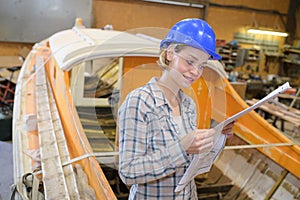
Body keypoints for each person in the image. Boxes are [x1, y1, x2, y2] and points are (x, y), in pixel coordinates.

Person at [118, 18, 235, 199]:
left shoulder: (188, 105)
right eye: (190, 61)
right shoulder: (139, 102)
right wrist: (183, 147)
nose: (196, 72)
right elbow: (128, 172)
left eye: (202, 65)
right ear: (170, 54)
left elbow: (191, 164)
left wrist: (217, 137)